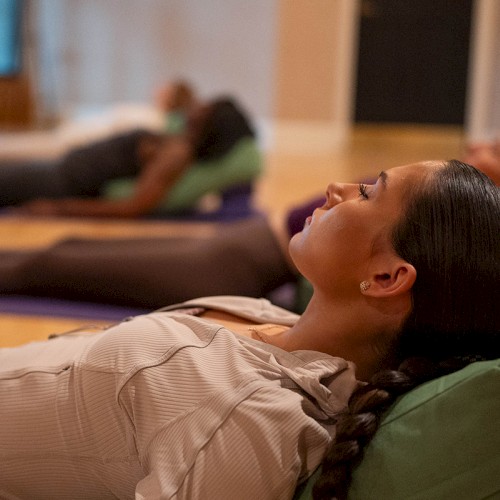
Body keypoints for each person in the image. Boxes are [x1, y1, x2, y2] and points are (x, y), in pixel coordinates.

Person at [0, 160, 498, 499]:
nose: (338, 188)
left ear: (388, 278)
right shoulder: (272, 320)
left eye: (368, 192)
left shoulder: (250, 416)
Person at [0, 82, 262, 217]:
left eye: (206, 108)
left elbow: (133, 206)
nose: (197, 106)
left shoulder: (178, 154)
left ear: (211, 125)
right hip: (61, 170)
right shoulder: (175, 136)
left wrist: (58, 210)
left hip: (62, 183)